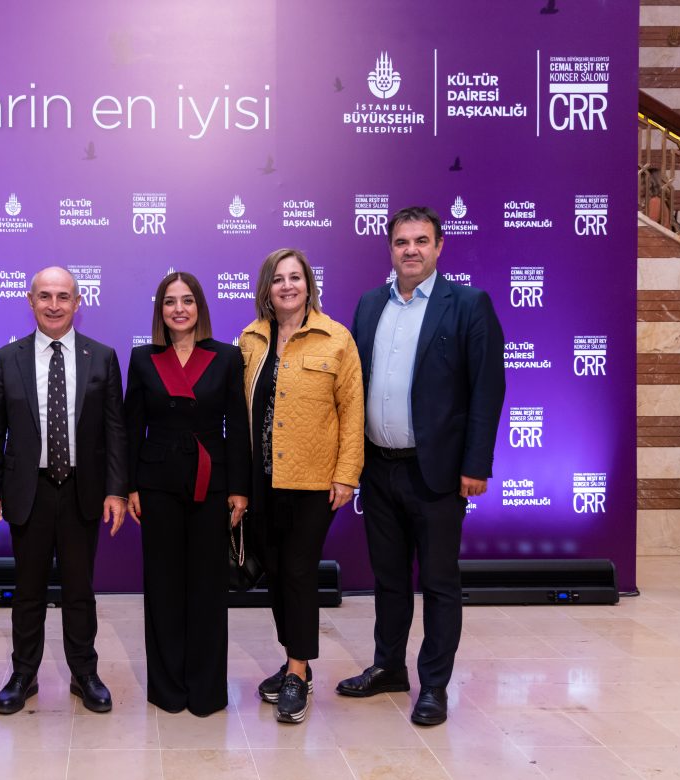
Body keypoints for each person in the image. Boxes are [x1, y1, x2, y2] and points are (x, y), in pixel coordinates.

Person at [338, 206, 505, 726]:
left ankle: (434, 685)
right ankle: (389, 667)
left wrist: (476, 464)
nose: (411, 250)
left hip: (437, 473)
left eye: (421, 241)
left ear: (439, 246)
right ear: (389, 248)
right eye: (401, 241)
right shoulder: (370, 304)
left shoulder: (469, 304)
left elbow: (487, 389)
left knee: (438, 582)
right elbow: (353, 387)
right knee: (388, 580)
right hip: (379, 469)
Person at [0, 266, 129, 715]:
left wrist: (117, 490)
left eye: (64, 296)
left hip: (83, 489)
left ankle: (85, 672)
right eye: (45, 296)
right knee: (27, 591)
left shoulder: (102, 357)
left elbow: (115, 431)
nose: (54, 305)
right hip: (29, 491)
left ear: (78, 302)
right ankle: (23, 674)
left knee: (80, 589)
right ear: (30, 301)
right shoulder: (7, 359)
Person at [238, 249, 364, 724]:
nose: (287, 286)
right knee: (273, 569)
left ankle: (297, 672)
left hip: (313, 480)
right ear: (266, 289)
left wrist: (347, 474)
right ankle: (294, 661)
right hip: (262, 478)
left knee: (298, 570)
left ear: (309, 285)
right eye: (278, 279)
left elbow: (352, 410)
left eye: (295, 277)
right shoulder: (251, 339)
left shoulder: (336, 338)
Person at [124, 271, 250, 717]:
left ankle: (206, 690)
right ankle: (167, 688)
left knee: (208, 588)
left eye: (187, 300)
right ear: (160, 310)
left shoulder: (226, 356)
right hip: (156, 485)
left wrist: (240, 489)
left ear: (200, 307)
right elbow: (130, 426)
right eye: (170, 302)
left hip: (210, 484)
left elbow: (238, 426)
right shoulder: (143, 358)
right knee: (162, 586)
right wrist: (130, 486)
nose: (179, 309)